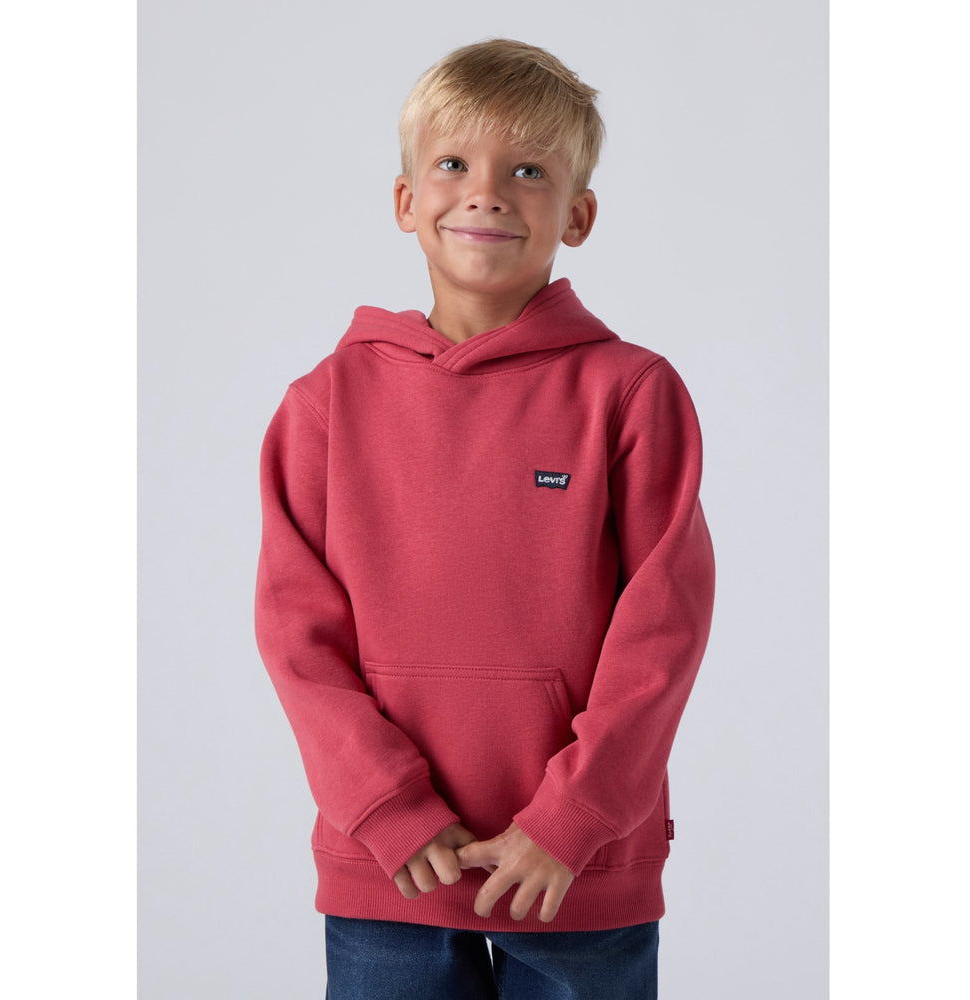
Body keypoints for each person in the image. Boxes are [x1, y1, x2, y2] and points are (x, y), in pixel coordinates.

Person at [254, 38, 715, 999]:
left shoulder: (631, 393)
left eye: (529, 172)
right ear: (404, 200)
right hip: (389, 866)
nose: (488, 194)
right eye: (454, 164)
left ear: (578, 215)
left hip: (575, 870)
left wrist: (573, 820)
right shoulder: (325, 404)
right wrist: (385, 807)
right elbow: (297, 636)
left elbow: (663, 629)